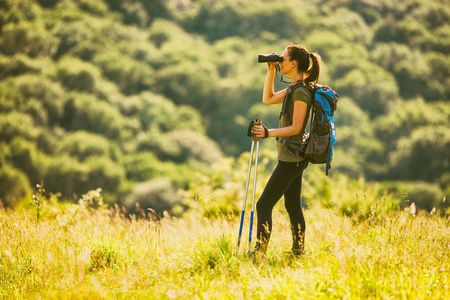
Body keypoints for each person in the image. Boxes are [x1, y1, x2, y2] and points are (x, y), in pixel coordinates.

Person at [251, 44, 321, 257]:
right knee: (292, 206)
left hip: (293, 157)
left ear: (293, 63)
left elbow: (297, 127)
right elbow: (268, 99)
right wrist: (271, 72)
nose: (280, 61)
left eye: (283, 59)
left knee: (263, 205)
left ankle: (260, 253)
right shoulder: (294, 88)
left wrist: (267, 132)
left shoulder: (301, 91)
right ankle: (298, 252)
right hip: (293, 156)